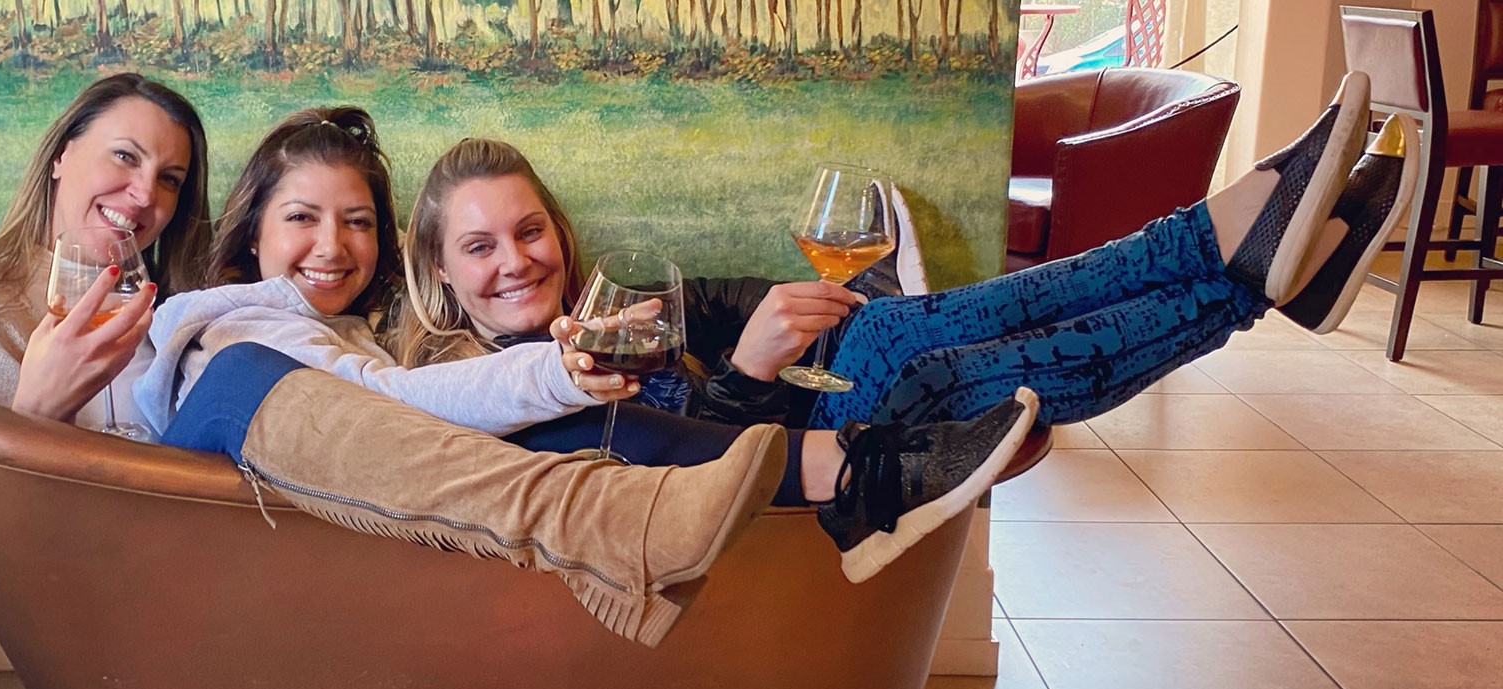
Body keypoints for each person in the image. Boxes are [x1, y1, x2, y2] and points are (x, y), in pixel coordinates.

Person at [138, 107, 1041, 593]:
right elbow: (393, 403)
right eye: (302, 218)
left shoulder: (345, 329)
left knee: (873, 341)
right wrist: (558, 372)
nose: (332, 246)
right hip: (234, 538)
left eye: (357, 222)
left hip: (360, 518)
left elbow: (710, 303)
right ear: (251, 230)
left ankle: (862, 444)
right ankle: (845, 470)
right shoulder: (233, 329)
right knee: (540, 431)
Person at [391, 73, 1410, 448]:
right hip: (807, 447)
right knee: (918, 362)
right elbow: (682, 470)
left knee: (931, 336)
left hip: (833, 389)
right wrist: (748, 369)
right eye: (479, 247)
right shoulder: (466, 390)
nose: (517, 261)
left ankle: (1254, 266)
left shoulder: (623, 310)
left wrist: (779, 325)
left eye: (530, 231)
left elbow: (743, 309)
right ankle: (1245, 249)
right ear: (441, 270)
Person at [0, 72, 210, 427]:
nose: (145, 194)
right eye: (125, 156)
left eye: (169, 179)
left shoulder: (173, 311)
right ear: (61, 156)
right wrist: (40, 413)